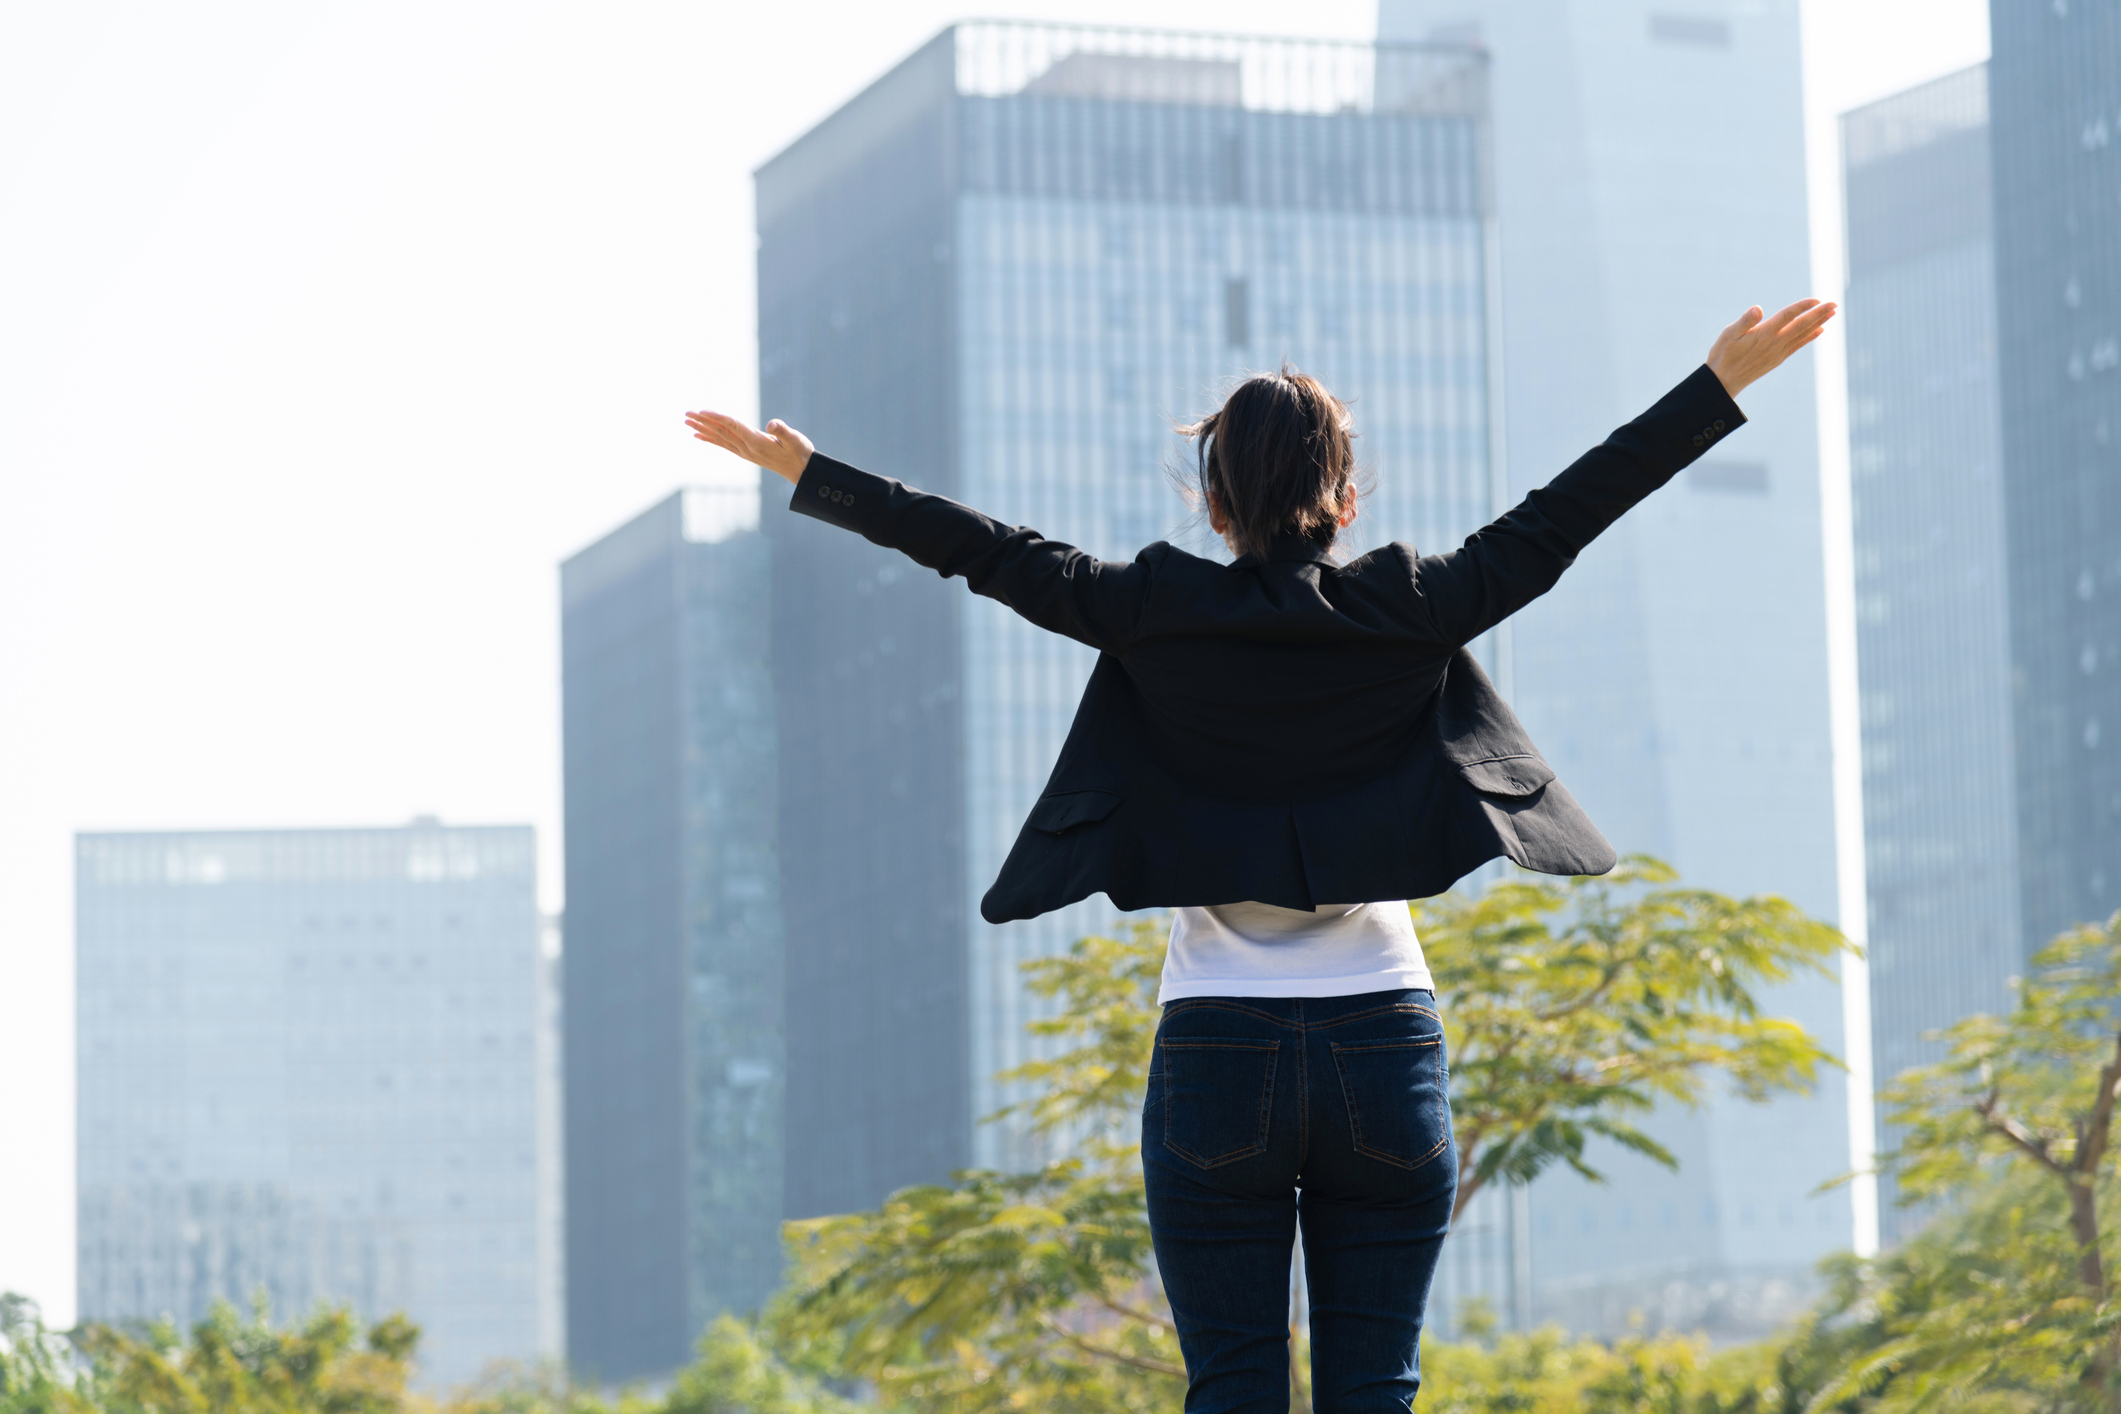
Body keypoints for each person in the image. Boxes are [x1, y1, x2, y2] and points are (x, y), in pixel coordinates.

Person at [685, 297, 1835, 1413]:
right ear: (1343, 497)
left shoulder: (1150, 609)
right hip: (1383, 1039)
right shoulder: (1415, 604)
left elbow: (986, 552)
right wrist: (1715, 389)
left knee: (1231, 1392)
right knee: (1374, 1390)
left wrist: (816, 477)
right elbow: (1566, 513)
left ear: (1213, 501)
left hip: (1217, 1045)